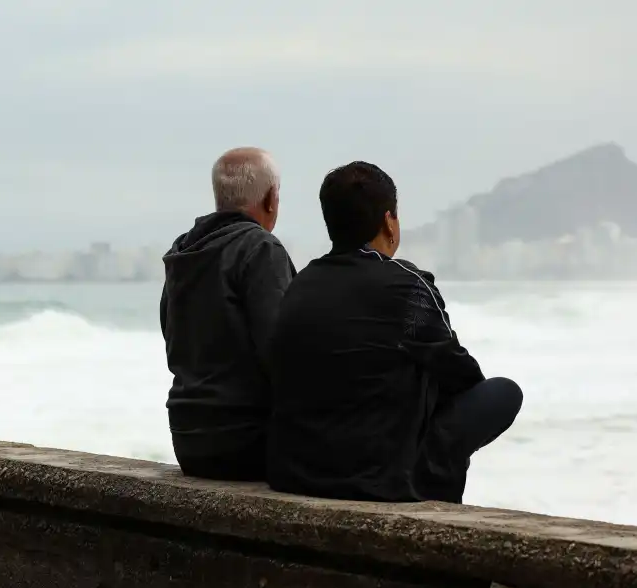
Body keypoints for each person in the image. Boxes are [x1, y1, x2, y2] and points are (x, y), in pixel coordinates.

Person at [266, 161, 522, 504]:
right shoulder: (406, 284)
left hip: (295, 474)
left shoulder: (299, 284)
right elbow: (461, 374)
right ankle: (432, 485)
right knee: (503, 393)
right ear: (389, 221)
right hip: (379, 480)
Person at [161, 147, 296, 480]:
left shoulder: (184, 252)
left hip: (188, 439)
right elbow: (281, 353)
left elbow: (171, 336)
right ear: (271, 199)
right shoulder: (260, 249)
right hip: (247, 441)